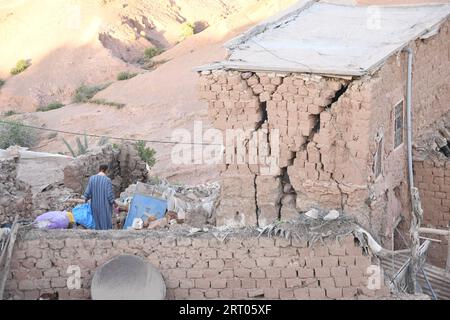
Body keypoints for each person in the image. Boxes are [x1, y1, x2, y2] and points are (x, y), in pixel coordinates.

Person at [83, 164, 115, 230]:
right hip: (104, 206)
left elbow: (87, 192)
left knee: (96, 221)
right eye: (107, 171)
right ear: (104, 170)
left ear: (99, 169)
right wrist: (113, 202)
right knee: (105, 222)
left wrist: (85, 200)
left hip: (94, 205)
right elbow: (109, 195)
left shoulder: (92, 178)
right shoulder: (107, 180)